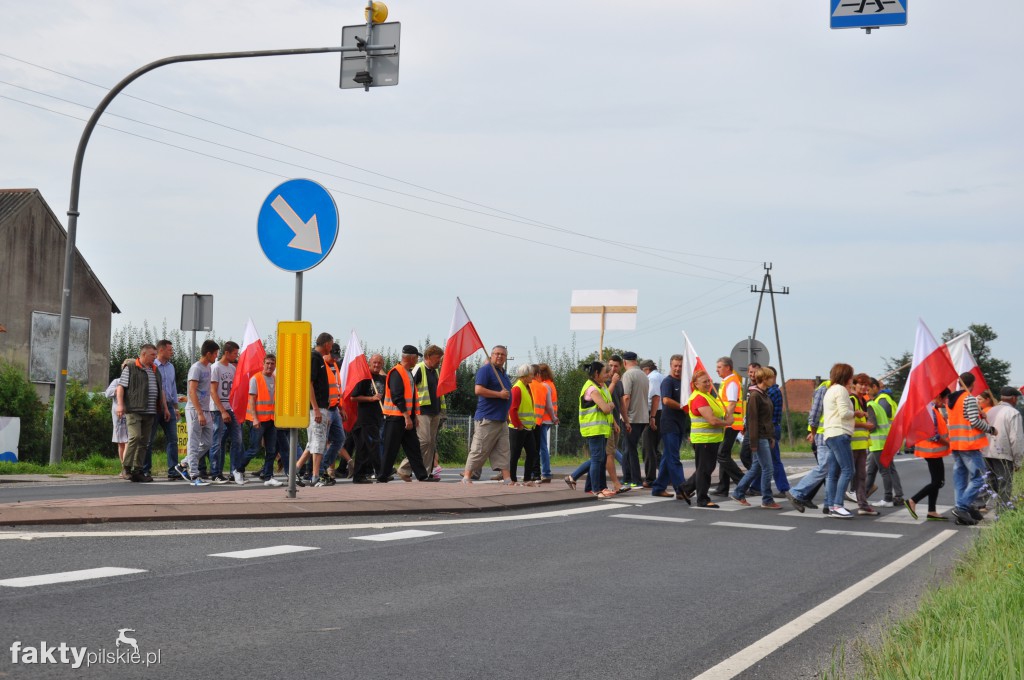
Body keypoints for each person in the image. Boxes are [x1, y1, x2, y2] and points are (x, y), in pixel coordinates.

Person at [380, 345, 436, 483]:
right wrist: (406, 416)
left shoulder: (407, 372)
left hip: (407, 417)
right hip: (396, 418)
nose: (417, 359)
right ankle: (382, 476)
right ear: (410, 357)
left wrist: (413, 416)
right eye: (416, 357)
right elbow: (397, 396)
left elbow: (410, 396)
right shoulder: (396, 372)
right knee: (390, 448)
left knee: (414, 448)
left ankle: (422, 475)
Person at [115, 344, 170, 483]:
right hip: (134, 410)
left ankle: (138, 471)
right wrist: (120, 405)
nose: (154, 357)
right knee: (135, 437)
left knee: (145, 442)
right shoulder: (131, 368)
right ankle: (126, 468)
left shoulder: (155, 370)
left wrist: (165, 407)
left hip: (151, 411)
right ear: (144, 354)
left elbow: (161, 390)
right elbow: (121, 387)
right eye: (152, 355)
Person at [947, 372, 996, 526]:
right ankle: (962, 507)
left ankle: (963, 511)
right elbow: (974, 421)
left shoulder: (951, 400)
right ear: (972, 384)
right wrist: (990, 429)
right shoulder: (968, 399)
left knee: (960, 479)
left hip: (956, 444)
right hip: (969, 444)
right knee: (980, 477)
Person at [461, 346, 514, 485]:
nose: (499, 356)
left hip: (501, 419)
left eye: (503, 354)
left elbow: (507, 395)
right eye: (497, 354)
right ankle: (466, 476)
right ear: (491, 355)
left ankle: (507, 478)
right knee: (479, 448)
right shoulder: (485, 370)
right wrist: (499, 395)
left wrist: (507, 412)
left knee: (503, 450)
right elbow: (478, 390)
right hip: (488, 417)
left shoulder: (503, 373)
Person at [732, 366, 782, 509]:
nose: (773, 379)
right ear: (764, 379)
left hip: (765, 436)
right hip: (759, 437)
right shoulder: (755, 396)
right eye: (771, 377)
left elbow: (767, 418)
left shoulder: (764, 394)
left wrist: (771, 436)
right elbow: (752, 421)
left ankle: (738, 492)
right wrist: (753, 442)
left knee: (757, 468)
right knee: (768, 468)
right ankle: (767, 499)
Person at [681, 369, 730, 508]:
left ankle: (686, 488)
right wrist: (727, 423)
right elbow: (712, 420)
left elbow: (716, 415)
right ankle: (702, 499)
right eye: (704, 382)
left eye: (709, 380)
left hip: (710, 439)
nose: (708, 384)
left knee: (705, 468)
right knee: (704, 470)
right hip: (704, 439)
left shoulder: (707, 396)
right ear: (696, 384)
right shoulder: (699, 398)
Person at [569, 361, 618, 499]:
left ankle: (593, 487)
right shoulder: (592, 389)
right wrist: (611, 405)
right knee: (597, 460)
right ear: (596, 374)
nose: (606, 375)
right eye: (604, 373)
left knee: (599, 459)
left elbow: (604, 408)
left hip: (600, 429)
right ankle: (597, 489)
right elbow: (606, 408)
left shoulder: (598, 386)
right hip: (593, 428)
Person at [650, 354, 693, 503]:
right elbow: (666, 400)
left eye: (680, 366)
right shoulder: (668, 381)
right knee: (674, 458)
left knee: (668, 456)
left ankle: (658, 487)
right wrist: (683, 407)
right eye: (675, 365)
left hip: (680, 423)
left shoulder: (685, 383)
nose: (677, 368)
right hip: (669, 424)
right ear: (670, 365)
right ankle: (682, 489)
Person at [398, 345, 445, 481]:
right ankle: (404, 468)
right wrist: (411, 413)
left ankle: (424, 473)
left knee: (431, 444)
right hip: (422, 411)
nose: (439, 362)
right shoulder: (419, 368)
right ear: (428, 357)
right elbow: (409, 388)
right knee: (423, 441)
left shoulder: (434, 371)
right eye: (437, 358)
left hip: (434, 412)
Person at [176, 339, 219, 487]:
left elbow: (202, 392)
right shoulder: (196, 368)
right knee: (193, 443)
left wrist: (207, 411)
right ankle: (194, 475)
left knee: (208, 443)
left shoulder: (208, 368)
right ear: (208, 353)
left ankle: (183, 464)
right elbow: (192, 390)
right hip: (195, 411)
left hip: (205, 410)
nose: (216, 357)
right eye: (215, 354)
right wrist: (200, 412)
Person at [237, 354, 284, 486]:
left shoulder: (275, 379)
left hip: (271, 419)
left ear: (275, 365)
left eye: (272, 364)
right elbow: (251, 399)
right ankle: (238, 469)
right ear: (263, 364)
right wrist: (255, 418)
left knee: (271, 450)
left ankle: (268, 477)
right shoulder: (255, 379)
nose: (270, 366)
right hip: (258, 420)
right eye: (267, 363)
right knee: (254, 448)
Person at [786, 378, 831, 512]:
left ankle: (829, 504)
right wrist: (813, 433)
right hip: (823, 435)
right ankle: (796, 492)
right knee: (824, 468)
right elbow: (814, 415)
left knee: (829, 470)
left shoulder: (834, 389)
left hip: (829, 435)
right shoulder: (823, 390)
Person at [905, 393, 951, 521]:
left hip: (932, 451)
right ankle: (913, 500)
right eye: (944, 399)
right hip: (932, 451)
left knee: (936, 481)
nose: (944, 402)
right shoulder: (930, 410)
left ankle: (932, 511)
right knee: (938, 482)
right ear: (938, 397)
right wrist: (949, 443)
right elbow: (933, 435)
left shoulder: (931, 409)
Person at [308, 332, 345, 486]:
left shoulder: (322, 361)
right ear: (326, 344)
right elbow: (309, 383)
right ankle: (315, 475)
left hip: (329, 407)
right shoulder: (315, 359)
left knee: (330, 439)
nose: (332, 347)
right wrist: (316, 408)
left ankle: (315, 472)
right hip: (319, 409)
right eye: (331, 343)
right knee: (317, 441)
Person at [822, 363, 858, 518]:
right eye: (851, 375)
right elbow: (844, 413)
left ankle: (831, 505)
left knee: (833, 473)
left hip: (830, 433)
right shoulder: (841, 390)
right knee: (848, 470)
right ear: (846, 376)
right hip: (840, 433)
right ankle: (838, 505)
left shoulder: (831, 390)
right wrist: (856, 412)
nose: (852, 378)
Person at [982, 386, 1024, 510]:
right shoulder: (1013, 413)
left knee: (992, 484)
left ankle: (986, 507)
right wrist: (1018, 460)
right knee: (1005, 486)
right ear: (1014, 398)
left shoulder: (991, 410)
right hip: (1003, 455)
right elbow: (1016, 439)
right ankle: (1002, 514)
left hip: (987, 452)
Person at [865, 377, 903, 507]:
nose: (867, 391)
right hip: (885, 439)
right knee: (874, 469)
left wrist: (864, 424)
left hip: (879, 441)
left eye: (868, 389)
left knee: (884, 470)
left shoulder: (880, 401)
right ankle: (863, 495)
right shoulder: (882, 400)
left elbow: (874, 423)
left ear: (875, 387)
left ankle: (888, 498)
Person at [147, 339, 182, 481]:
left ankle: (173, 471)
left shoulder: (171, 367)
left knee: (173, 439)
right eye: (169, 350)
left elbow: (172, 388)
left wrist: (175, 407)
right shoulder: (151, 365)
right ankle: (145, 470)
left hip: (169, 405)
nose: (172, 352)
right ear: (160, 350)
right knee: (149, 439)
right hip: (154, 406)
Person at [208, 340, 241, 485]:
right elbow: (213, 391)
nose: (236, 356)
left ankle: (234, 471)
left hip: (231, 407)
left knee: (238, 439)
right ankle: (216, 472)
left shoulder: (232, 369)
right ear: (226, 353)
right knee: (217, 441)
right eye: (234, 353)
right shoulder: (215, 368)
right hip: (218, 409)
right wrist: (222, 410)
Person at [711, 357, 745, 496]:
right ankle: (723, 487)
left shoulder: (731, 382)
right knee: (724, 455)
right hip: (730, 424)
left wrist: (725, 420)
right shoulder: (727, 381)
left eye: (719, 367)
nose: (716, 369)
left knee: (722, 455)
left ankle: (743, 482)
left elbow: (731, 403)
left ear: (728, 367)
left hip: (730, 425)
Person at [349, 353, 385, 483]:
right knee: (373, 445)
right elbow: (353, 397)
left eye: (379, 363)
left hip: (377, 418)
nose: (376, 365)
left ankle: (359, 476)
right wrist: (371, 398)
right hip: (365, 418)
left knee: (363, 448)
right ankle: (381, 472)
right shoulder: (364, 378)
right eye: (374, 362)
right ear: (369, 364)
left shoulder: (382, 379)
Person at [847, 373, 878, 516]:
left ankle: (863, 506)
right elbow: (848, 421)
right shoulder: (852, 399)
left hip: (861, 444)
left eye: (866, 385)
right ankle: (834, 504)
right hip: (851, 444)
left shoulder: (863, 400)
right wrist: (866, 425)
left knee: (861, 475)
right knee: (846, 474)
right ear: (854, 385)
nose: (864, 387)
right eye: (861, 384)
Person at [619, 351, 650, 490]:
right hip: (643, 417)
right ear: (636, 361)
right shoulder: (644, 375)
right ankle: (627, 478)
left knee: (630, 449)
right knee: (628, 448)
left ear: (624, 362)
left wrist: (624, 417)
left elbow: (626, 397)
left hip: (631, 417)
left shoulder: (628, 375)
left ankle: (635, 479)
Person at [508, 364, 540, 485]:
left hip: (527, 428)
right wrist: (518, 425)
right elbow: (512, 409)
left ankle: (527, 479)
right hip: (518, 428)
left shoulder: (526, 387)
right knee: (515, 454)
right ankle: (512, 479)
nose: (533, 377)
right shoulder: (517, 388)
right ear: (525, 376)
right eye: (531, 374)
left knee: (532, 452)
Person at [531, 364, 559, 483]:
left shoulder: (544, 385)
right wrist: (554, 417)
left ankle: (545, 472)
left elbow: (547, 405)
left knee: (541, 446)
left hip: (542, 419)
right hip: (548, 419)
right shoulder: (551, 384)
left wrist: (553, 417)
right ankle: (544, 472)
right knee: (542, 446)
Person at [640, 359, 663, 487]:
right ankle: (668, 474)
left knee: (648, 448)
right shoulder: (661, 376)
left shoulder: (652, 378)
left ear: (646, 370)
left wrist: (652, 417)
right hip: (661, 413)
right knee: (654, 448)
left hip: (654, 413)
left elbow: (655, 397)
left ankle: (650, 479)